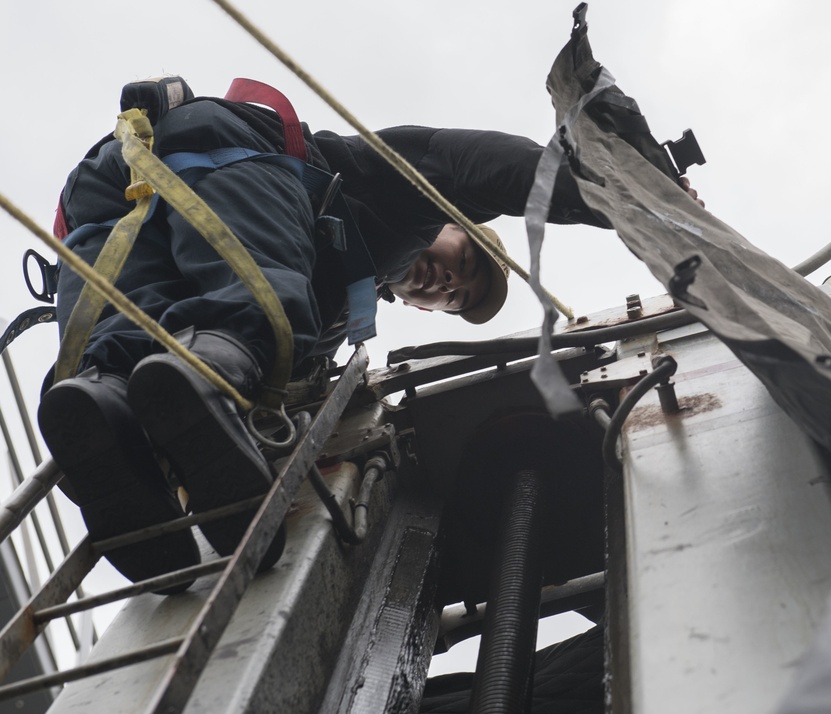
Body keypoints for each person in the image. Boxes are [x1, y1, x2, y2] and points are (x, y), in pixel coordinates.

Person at [38, 76, 698, 592]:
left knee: (114, 356)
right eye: (463, 260)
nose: (447, 282)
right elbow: (488, 166)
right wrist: (636, 195)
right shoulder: (389, 194)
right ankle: (209, 372)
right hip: (226, 153)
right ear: (447, 222)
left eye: (455, 299)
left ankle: (109, 423)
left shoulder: (345, 311)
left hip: (110, 185)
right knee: (257, 317)